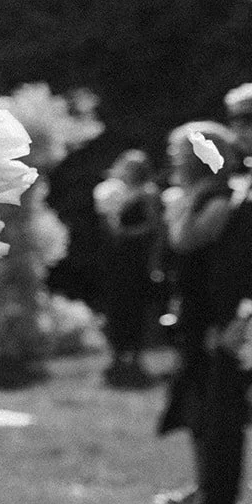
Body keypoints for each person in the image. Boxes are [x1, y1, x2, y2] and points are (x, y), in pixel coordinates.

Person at [189, 80, 252, 504]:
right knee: (220, 419)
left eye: (250, 119)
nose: (238, 130)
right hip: (233, 320)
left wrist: (246, 315)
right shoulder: (251, 173)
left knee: (228, 418)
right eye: (234, 120)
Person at [155, 120, 238, 504]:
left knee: (207, 405)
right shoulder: (202, 195)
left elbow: (185, 241)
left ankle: (211, 497)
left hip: (209, 317)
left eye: (179, 154)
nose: (173, 161)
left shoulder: (219, 198)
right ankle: (202, 488)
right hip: (194, 314)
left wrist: (182, 205)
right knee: (194, 403)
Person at [93, 149, 162, 385]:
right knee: (115, 305)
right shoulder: (114, 192)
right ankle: (117, 352)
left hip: (137, 258)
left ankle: (135, 353)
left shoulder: (148, 193)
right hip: (116, 259)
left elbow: (154, 226)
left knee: (135, 305)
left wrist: (128, 234)